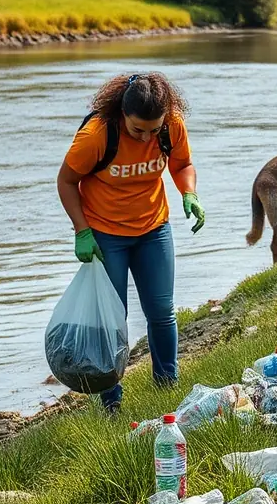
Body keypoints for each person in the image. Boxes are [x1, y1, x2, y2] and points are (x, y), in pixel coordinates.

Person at [57, 72, 205, 413]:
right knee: (112, 317)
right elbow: (66, 181)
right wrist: (81, 230)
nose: (147, 137)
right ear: (122, 114)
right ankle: (110, 401)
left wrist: (189, 193)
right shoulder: (97, 135)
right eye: (138, 129)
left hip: (154, 229)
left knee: (162, 312)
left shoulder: (171, 127)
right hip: (106, 235)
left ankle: (167, 386)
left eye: (154, 129)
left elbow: (183, 164)